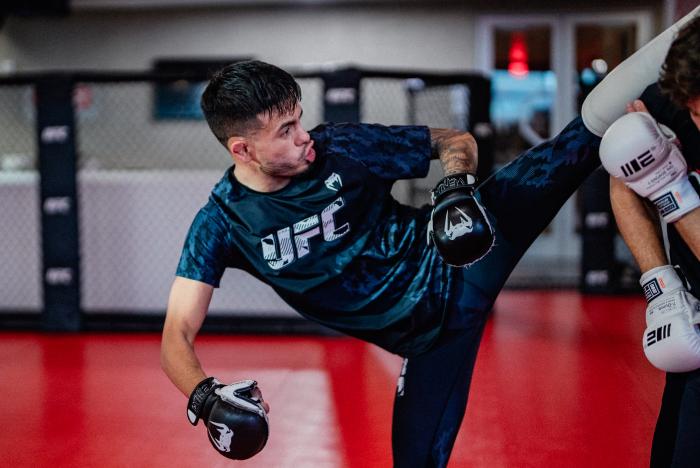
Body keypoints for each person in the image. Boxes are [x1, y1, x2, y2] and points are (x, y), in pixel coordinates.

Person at [161, 10, 697, 466]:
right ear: (242, 149)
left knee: (587, 134)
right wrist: (205, 397)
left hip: (468, 250)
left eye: (300, 120)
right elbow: (176, 336)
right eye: (285, 132)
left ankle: (689, 48)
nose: (304, 137)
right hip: (430, 343)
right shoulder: (223, 224)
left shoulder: (341, 148)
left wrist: (455, 188)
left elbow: (452, 140)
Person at [588, 13, 700, 467]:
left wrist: (669, 186)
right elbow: (626, 173)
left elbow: (655, 182)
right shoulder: (672, 104)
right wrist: (661, 283)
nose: (699, 121)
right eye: (694, 111)